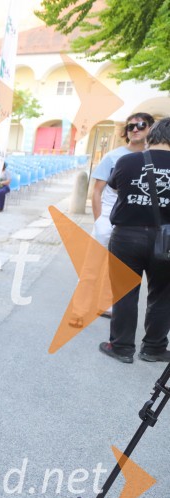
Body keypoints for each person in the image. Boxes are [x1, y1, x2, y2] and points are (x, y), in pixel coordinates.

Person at [70, 112, 155, 327]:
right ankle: (79, 310)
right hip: (109, 216)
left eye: (141, 125)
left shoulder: (155, 157)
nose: (135, 129)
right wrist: (100, 220)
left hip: (132, 222)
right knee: (92, 266)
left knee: (118, 266)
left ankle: (107, 304)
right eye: (130, 127)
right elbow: (97, 191)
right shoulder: (113, 156)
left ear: (151, 129)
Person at [99, 117, 170, 364]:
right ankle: (154, 348)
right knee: (163, 294)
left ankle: (121, 347)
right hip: (166, 238)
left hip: (127, 235)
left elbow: (115, 190)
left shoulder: (127, 161)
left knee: (125, 292)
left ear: (153, 135)